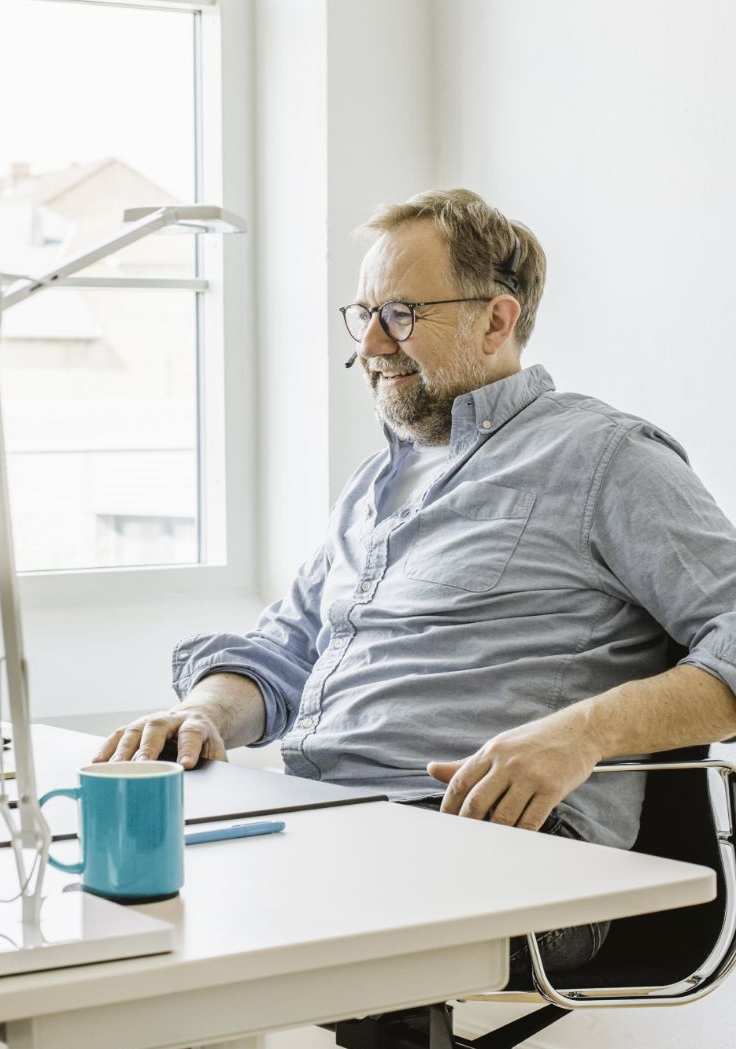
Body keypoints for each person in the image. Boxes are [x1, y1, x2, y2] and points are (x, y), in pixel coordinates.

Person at [94, 188, 736, 973]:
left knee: (152, 951)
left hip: (498, 846)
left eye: (399, 313)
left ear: (495, 321)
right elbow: (286, 647)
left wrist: (583, 733)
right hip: (334, 822)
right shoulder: (376, 482)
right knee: (88, 901)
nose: (369, 344)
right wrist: (203, 713)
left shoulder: (605, 458)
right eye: (361, 313)